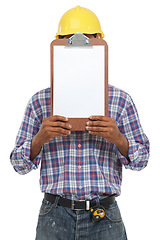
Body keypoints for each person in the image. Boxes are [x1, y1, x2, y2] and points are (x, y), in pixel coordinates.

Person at [10, 6, 150, 240]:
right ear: (58, 46)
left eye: (87, 40)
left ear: (99, 43)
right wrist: (39, 139)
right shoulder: (39, 101)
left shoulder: (120, 100)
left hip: (103, 215)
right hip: (54, 216)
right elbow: (18, 164)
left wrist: (118, 139)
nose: (78, 46)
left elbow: (142, 160)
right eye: (68, 40)